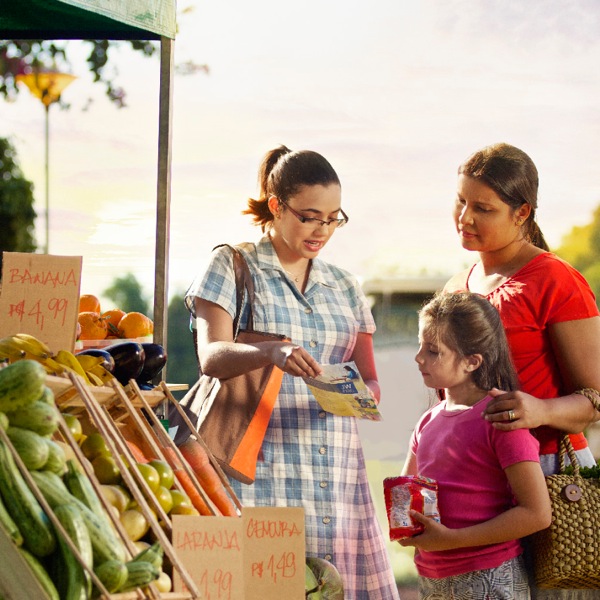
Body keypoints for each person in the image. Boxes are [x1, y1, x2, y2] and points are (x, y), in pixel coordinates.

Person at [184, 145, 400, 599]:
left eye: (333, 218)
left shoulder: (344, 285)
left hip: (336, 475)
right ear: (277, 206)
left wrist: (360, 395)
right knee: (267, 589)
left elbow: (372, 379)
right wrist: (273, 353)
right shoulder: (233, 264)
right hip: (258, 470)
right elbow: (210, 356)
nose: (321, 230)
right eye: (309, 216)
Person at [444, 142, 600, 598]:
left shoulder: (556, 280)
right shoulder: (459, 285)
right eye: (461, 201)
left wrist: (539, 410)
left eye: (483, 208)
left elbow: (595, 399)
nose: (464, 217)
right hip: (474, 477)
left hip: (547, 475)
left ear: (521, 212)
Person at [400, 291, 552, 599]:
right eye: (420, 346)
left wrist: (451, 539)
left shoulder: (502, 421)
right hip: (433, 580)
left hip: (492, 579)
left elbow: (537, 513)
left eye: (432, 351)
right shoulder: (427, 422)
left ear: (472, 361)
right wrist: (407, 523)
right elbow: (407, 489)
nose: (419, 358)